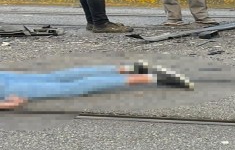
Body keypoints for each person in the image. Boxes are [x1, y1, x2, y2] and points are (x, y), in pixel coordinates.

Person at [0, 61, 193, 110]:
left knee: (69, 88)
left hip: (5, 89)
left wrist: (9, 104)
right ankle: (131, 68)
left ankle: (150, 78)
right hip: (4, 78)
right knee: (55, 77)